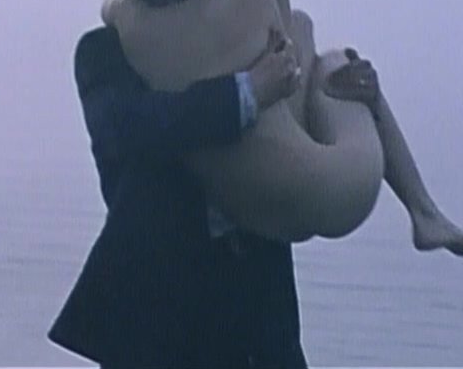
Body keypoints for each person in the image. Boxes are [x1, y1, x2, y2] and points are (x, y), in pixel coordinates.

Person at [102, 0, 463, 257]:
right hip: (325, 193)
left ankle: (424, 211)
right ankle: (423, 210)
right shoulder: (250, 3)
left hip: (247, 207)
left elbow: (116, 7)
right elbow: (289, 90)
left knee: (309, 48)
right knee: (331, 58)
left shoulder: (128, 21)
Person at [49, 20, 378, 367]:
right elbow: (128, 129)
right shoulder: (108, 50)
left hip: (262, 336)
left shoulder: (251, 44)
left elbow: (305, 143)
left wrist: (347, 101)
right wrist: (247, 91)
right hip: (158, 335)